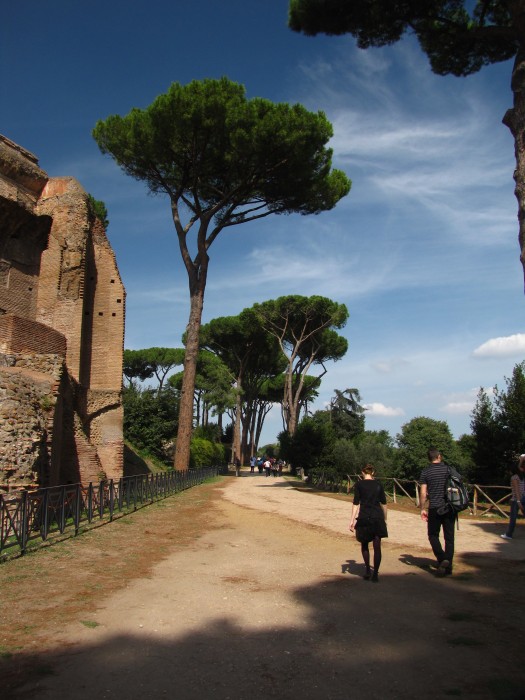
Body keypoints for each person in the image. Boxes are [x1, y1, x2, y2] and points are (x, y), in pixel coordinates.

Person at [419, 448, 456, 577]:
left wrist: (422, 508)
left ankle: (441, 559)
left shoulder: (426, 472)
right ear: (439, 456)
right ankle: (448, 565)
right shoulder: (448, 470)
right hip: (450, 507)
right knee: (449, 538)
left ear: (429, 458)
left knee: (433, 535)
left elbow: (423, 493)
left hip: (434, 507)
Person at [349, 464, 388, 582]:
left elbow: (356, 503)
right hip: (377, 517)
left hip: (364, 517)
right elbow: (384, 504)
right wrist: (384, 518)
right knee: (377, 547)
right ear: (373, 473)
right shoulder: (378, 484)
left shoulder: (359, 485)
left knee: (364, 544)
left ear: (362, 472)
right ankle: (375, 573)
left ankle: (367, 570)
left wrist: (351, 520)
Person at [501, 455, 525, 540]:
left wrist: (518, 501)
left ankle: (509, 534)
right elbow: (520, 468)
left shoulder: (514, 477)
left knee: (513, 518)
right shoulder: (522, 477)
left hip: (516, 499)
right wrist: (521, 460)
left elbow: (517, 490)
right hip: (524, 498)